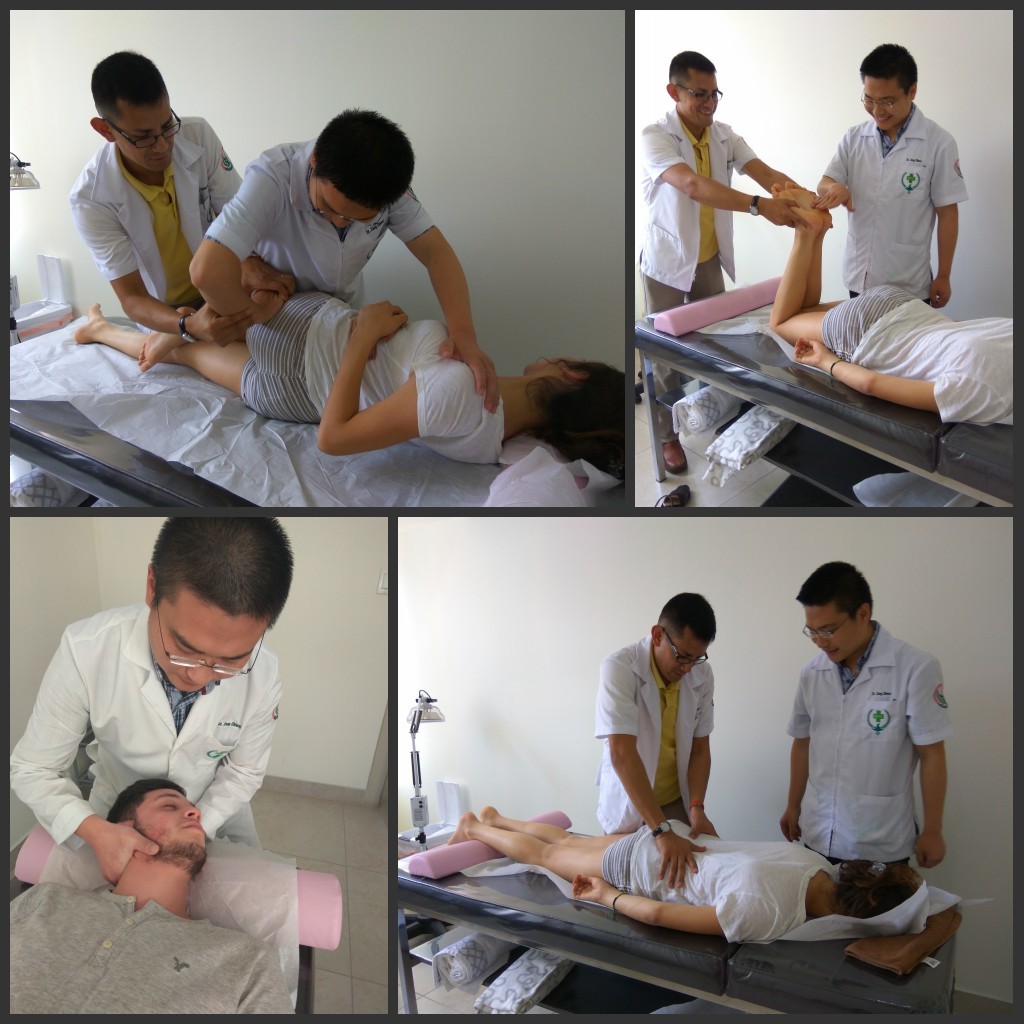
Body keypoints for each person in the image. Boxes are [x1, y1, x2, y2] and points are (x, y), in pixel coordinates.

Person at [10, 518, 294, 884]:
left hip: (212, 810)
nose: (200, 677)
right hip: (118, 811)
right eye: (184, 649)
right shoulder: (87, 649)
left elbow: (244, 772)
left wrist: (195, 831)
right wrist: (95, 830)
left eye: (230, 660)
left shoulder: (264, 672)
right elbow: (33, 769)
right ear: (152, 587)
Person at [71, 291, 626, 478]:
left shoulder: (462, 393)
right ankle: (106, 329)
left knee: (194, 345)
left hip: (297, 371)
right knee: (191, 352)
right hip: (307, 349)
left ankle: (160, 328)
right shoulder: (502, 436)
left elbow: (332, 439)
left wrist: (363, 336)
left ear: (572, 372)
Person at [188, 107, 499, 413]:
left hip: (336, 312)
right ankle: (181, 333)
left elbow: (435, 251)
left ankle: (180, 335)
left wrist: (463, 334)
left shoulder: (387, 186)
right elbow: (206, 270)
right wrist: (252, 317)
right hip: (278, 309)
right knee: (214, 357)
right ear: (314, 161)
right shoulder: (272, 176)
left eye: (356, 220)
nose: (338, 222)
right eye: (327, 207)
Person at [638, 50, 803, 477]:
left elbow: (765, 173)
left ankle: (711, 413)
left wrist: (808, 199)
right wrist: (759, 206)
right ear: (674, 91)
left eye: (715, 94)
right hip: (667, 263)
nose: (709, 103)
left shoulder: (723, 135)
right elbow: (692, 185)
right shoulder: (655, 136)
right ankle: (667, 435)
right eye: (699, 94)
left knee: (714, 344)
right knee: (666, 356)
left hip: (707, 259)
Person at [69, 50, 293, 355]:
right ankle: (105, 329)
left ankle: (136, 333)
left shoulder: (197, 135)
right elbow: (133, 298)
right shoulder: (90, 199)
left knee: (276, 333)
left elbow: (241, 216)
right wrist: (186, 325)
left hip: (220, 287)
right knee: (230, 359)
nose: (162, 146)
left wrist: (250, 264)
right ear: (105, 130)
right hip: (164, 309)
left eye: (166, 127)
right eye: (143, 137)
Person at [10, 778, 295, 1014]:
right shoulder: (45, 901)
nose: (196, 813)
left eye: (193, 810)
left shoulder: (245, 959)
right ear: (123, 830)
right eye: (170, 805)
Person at [445, 806, 922, 943]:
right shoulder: (771, 914)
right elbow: (657, 914)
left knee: (567, 842)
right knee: (547, 856)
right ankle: (477, 827)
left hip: (664, 838)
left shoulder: (814, 862)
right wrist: (607, 896)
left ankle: (497, 817)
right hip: (640, 868)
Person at [768, 184, 1012, 425]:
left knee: (804, 312)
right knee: (781, 322)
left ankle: (817, 230)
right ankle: (805, 232)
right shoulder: (990, 395)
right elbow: (870, 384)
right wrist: (825, 361)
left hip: (902, 304)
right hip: (867, 334)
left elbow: (956, 327)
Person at [780, 561, 953, 867]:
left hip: (881, 840)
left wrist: (933, 829)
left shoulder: (915, 668)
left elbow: (932, 754)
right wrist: (793, 805)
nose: (820, 641)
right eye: (812, 631)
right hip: (818, 832)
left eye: (828, 630)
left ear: (863, 614)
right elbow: (802, 742)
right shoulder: (812, 673)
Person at [814, 43, 969, 309]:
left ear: (912, 91)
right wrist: (834, 188)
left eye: (887, 101)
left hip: (909, 283)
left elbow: (948, 214)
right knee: (860, 337)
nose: (877, 110)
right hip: (859, 277)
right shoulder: (854, 137)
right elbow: (824, 183)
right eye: (869, 99)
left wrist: (944, 275)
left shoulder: (939, 143)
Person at [595, 593, 718, 890]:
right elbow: (622, 753)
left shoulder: (701, 674)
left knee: (681, 881)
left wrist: (697, 807)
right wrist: (661, 831)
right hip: (631, 798)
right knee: (626, 881)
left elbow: (700, 748)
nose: (688, 668)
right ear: (657, 635)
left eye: (697, 658)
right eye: (682, 656)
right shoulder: (619, 667)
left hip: (675, 800)